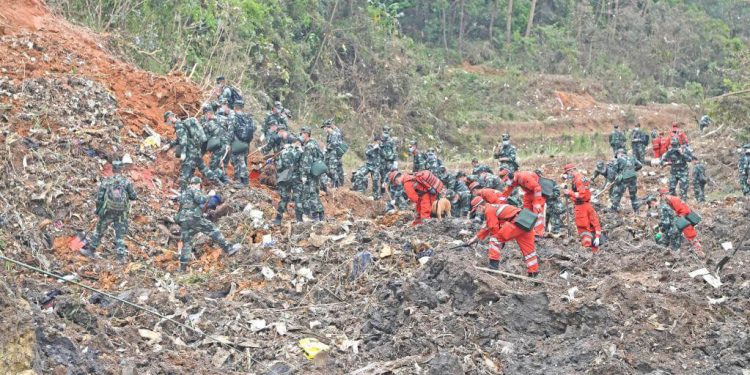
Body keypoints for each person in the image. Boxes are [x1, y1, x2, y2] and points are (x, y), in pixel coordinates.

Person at [175, 177, 240, 271]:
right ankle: (229, 249)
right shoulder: (194, 189)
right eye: (199, 185)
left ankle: (182, 268)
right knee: (213, 229)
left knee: (186, 242)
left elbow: (182, 206)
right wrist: (209, 195)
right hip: (193, 218)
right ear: (197, 184)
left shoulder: (184, 193)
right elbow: (200, 200)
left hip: (183, 220)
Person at [80, 160, 137, 263]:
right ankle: (121, 257)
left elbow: (99, 198)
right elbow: (133, 196)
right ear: (121, 169)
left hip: (108, 212)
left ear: (113, 169)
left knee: (99, 230)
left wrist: (98, 211)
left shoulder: (106, 181)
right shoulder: (126, 182)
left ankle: (91, 250)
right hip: (121, 213)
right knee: (120, 234)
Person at [466, 200, 539, 277]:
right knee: (529, 251)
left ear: (480, 207)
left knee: (494, 240)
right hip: (526, 222)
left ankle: (493, 267)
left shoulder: (488, 210)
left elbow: (493, 228)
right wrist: (475, 238)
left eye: (476, 210)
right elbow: (487, 227)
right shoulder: (493, 207)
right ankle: (533, 273)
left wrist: (500, 240)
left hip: (516, 222)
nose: (477, 212)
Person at [164, 111, 222, 189]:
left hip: (190, 152)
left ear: (170, 118)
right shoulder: (182, 123)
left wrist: (183, 153)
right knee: (204, 169)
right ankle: (220, 183)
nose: (168, 123)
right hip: (196, 150)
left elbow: (183, 141)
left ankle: (183, 193)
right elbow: (179, 139)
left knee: (184, 173)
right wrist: (169, 145)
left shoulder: (178, 126)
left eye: (167, 121)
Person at [647, 187, 703, 256]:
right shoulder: (669, 202)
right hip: (682, 219)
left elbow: (684, 211)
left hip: (684, 219)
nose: (661, 198)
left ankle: (700, 253)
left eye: (661, 196)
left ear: (664, 195)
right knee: (684, 236)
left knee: (690, 235)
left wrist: (678, 219)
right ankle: (692, 250)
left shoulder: (673, 200)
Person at [561, 164, 602, 253]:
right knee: (592, 223)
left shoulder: (578, 180)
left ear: (571, 171)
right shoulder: (578, 179)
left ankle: (587, 250)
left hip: (581, 207)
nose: (568, 175)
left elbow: (581, 195)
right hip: (585, 205)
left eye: (568, 173)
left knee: (583, 228)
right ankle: (594, 249)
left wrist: (569, 192)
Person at [497, 166, 545, 236]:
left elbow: (537, 188)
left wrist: (537, 203)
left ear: (510, 176)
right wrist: (498, 204)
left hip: (538, 192)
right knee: (526, 210)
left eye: (506, 180)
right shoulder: (513, 181)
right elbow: (506, 193)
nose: (506, 182)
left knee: (537, 210)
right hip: (528, 192)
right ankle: (527, 229)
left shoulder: (523, 177)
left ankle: (538, 233)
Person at [273, 139, 303, 224]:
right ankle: (299, 220)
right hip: (297, 178)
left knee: (284, 198)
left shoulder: (284, 151)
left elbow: (279, 167)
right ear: (298, 143)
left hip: (285, 177)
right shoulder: (301, 153)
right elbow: (304, 166)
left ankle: (278, 219)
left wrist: (280, 177)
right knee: (298, 198)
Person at [299, 127, 326, 221]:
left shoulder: (308, 147)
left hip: (310, 175)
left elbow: (306, 163)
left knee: (311, 195)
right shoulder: (315, 144)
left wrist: (303, 176)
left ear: (306, 134)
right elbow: (321, 156)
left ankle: (316, 217)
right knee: (315, 193)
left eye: (302, 134)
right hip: (316, 174)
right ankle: (321, 216)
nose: (300, 136)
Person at [201, 104, 230, 183]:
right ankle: (224, 180)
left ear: (208, 113)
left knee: (213, 167)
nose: (205, 116)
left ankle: (224, 182)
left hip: (220, 148)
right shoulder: (224, 118)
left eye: (205, 114)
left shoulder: (209, 124)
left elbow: (204, 137)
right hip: (225, 146)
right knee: (217, 165)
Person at [229, 100, 255, 185]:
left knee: (240, 161)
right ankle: (238, 178)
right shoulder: (247, 117)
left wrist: (228, 143)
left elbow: (230, 131)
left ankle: (244, 181)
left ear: (235, 107)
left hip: (237, 142)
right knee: (240, 159)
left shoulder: (234, 117)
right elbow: (254, 128)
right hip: (246, 142)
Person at [610, 149, 642, 213]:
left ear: (618, 154)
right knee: (633, 195)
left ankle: (614, 208)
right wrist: (632, 170)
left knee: (617, 193)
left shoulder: (618, 159)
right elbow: (640, 165)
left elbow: (613, 172)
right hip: (633, 178)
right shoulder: (632, 158)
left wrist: (616, 177)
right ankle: (636, 210)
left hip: (623, 179)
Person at [536, 169, 564, 238]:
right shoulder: (536, 182)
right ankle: (544, 232)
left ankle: (556, 234)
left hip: (554, 204)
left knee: (555, 220)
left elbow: (557, 193)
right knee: (545, 219)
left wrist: (547, 195)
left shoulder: (551, 182)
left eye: (539, 174)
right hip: (546, 205)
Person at [322, 119, 346, 188]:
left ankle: (336, 186)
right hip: (330, 154)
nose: (324, 129)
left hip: (334, 155)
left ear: (328, 127)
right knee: (327, 169)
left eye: (324, 127)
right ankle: (332, 183)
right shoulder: (329, 135)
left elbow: (334, 145)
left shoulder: (334, 134)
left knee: (333, 170)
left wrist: (326, 147)